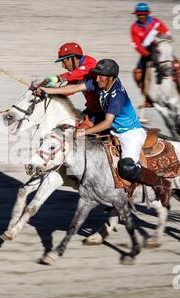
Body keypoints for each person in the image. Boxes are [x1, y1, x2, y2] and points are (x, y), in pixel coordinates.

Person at [38, 58, 171, 207]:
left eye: (101, 76)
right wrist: (47, 91)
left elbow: (107, 122)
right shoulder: (101, 82)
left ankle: (162, 184)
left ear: (111, 78)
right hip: (114, 132)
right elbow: (74, 88)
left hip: (130, 134)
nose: (97, 79)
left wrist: (83, 132)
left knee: (127, 168)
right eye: (97, 75)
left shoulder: (117, 95)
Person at [130, 2, 180, 98]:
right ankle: (148, 100)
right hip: (147, 54)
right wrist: (146, 53)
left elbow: (167, 34)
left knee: (176, 65)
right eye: (138, 15)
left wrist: (160, 41)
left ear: (147, 14)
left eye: (142, 14)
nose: (140, 17)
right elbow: (136, 45)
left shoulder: (156, 23)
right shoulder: (134, 27)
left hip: (161, 51)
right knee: (137, 74)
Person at [43, 42, 103, 126]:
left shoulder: (90, 63)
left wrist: (58, 78)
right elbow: (68, 90)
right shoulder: (76, 72)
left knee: (79, 131)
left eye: (64, 61)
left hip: (103, 111)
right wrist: (49, 91)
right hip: (91, 110)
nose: (63, 66)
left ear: (73, 58)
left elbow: (79, 73)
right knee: (64, 124)